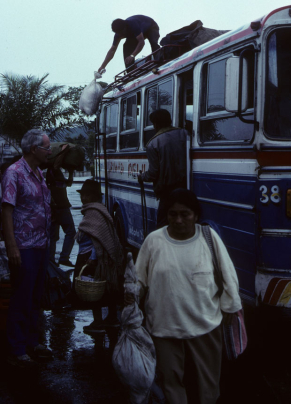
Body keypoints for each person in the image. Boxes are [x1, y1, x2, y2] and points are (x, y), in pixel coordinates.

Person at [129, 189, 242, 404]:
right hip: (164, 326)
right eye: (173, 214)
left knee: (208, 385)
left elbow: (228, 274)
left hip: (205, 324)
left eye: (185, 214)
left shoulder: (208, 238)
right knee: (171, 383)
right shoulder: (154, 241)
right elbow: (139, 279)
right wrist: (132, 296)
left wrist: (230, 306)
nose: (178, 220)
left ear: (196, 215)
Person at [1, 129, 53, 367]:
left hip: (41, 245)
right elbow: (7, 211)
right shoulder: (14, 174)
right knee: (22, 296)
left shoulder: (38, 173)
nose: (49, 151)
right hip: (24, 246)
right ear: (34, 150)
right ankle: (18, 347)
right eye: (46, 147)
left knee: (35, 297)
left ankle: (33, 342)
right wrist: (12, 246)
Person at [73, 179, 124, 333]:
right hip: (98, 257)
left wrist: (94, 258)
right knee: (107, 287)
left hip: (93, 257)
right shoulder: (97, 210)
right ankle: (112, 319)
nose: (83, 198)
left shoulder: (94, 212)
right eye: (83, 195)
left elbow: (99, 239)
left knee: (93, 288)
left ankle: (98, 322)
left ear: (94, 196)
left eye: (87, 195)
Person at [138, 109, 188, 228]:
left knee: (163, 225)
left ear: (156, 124)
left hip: (167, 193)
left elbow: (153, 173)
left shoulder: (153, 144)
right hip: (187, 188)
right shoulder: (184, 133)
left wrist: (142, 177)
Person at [46, 165, 76, 267]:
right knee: (70, 232)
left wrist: (71, 172)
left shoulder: (52, 171)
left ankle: (52, 260)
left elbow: (68, 183)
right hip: (60, 208)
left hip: (56, 208)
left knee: (53, 236)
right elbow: (65, 184)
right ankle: (63, 258)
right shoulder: (52, 171)